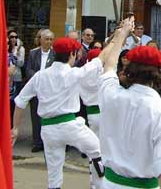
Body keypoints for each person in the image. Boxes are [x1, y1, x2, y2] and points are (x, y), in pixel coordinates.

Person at [11, 37, 105, 189]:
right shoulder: (74, 73)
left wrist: (15, 127)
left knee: (54, 176)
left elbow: (20, 101)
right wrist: (118, 38)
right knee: (96, 150)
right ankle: (98, 185)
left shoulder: (40, 76)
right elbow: (101, 59)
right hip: (70, 126)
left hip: (48, 130)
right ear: (72, 54)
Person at [98, 18, 161, 189]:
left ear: (129, 70)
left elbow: (109, 66)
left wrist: (122, 34)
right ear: (158, 75)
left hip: (108, 184)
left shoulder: (111, 94)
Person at [26, 29, 55, 152]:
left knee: (48, 117)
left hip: (50, 91)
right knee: (35, 116)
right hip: (36, 90)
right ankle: (37, 142)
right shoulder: (33, 54)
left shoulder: (55, 54)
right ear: (41, 40)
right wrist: (39, 79)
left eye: (51, 39)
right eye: (46, 39)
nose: (49, 41)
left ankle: (47, 142)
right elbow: (29, 70)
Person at [8, 30, 25, 125]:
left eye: (15, 37)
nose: (14, 39)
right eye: (11, 37)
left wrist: (16, 53)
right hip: (7, 79)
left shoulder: (20, 49)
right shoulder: (6, 48)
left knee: (14, 102)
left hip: (16, 78)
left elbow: (20, 63)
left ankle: (12, 123)